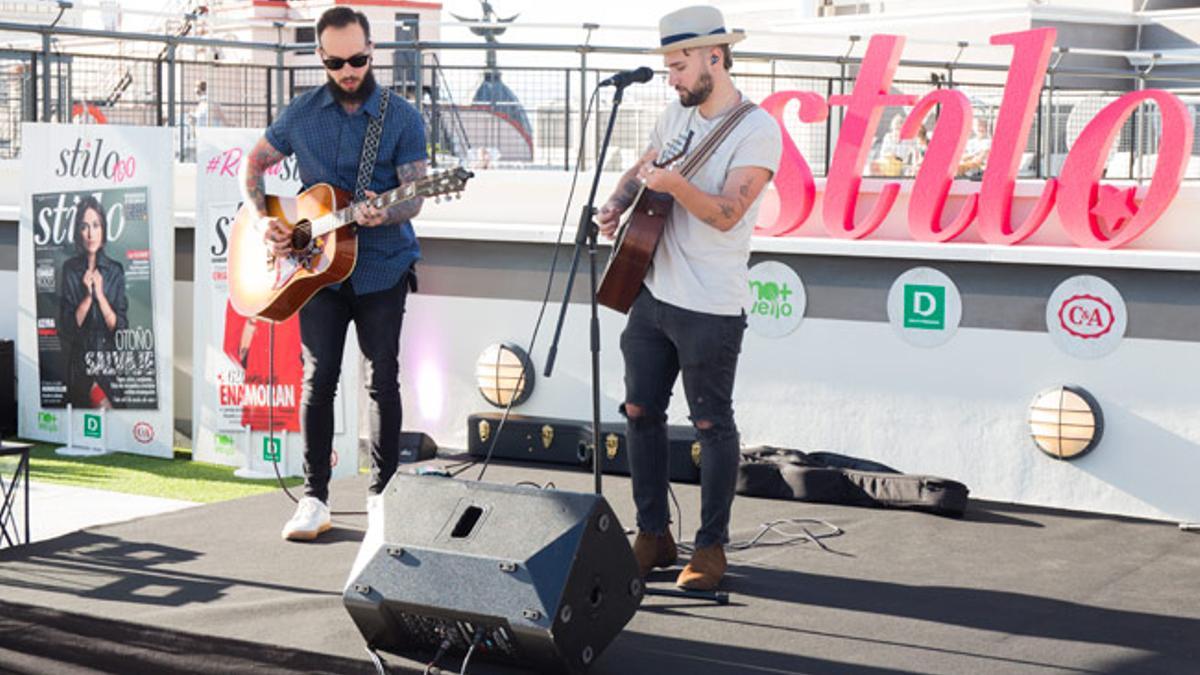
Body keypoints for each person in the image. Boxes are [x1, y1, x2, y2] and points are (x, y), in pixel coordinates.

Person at [594, 6, 782, 591]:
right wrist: (616, 204)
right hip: (651, 291)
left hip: (711, 305)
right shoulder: (672, 119)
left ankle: (711, 547)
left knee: (710, 424)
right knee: (639, 414)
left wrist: (674, 184)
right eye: (668, 66)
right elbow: (640, 168)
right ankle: (652, 533)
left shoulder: (757, 128)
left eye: (678, 66)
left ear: (714, 58)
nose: (671, 77)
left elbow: (728, 214)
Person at [241, 7, 427, 541]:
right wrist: (265, 221)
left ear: (373, 51)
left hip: (382, 266)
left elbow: (414, 196)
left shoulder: (402, 117)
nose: (350, 70)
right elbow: (252, 167)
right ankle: (314, 499)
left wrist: (383, 211)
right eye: (339, 61)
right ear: (321, 57)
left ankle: (383, 498)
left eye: (360, 59)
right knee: (317, 380)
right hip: (313, 270)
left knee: (381, 378)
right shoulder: (301, 114)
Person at [59, 194, 128, 409]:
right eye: (84, 227)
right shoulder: (70, 270)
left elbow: (121, 329)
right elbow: (68, 328)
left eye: (96, 225)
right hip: (80, 366)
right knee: (83, 428)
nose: (90, 233)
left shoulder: (115, 270)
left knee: (115, 428)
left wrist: (100, 295)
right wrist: (88, 297)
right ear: (78, 233)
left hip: (110, 366)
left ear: (103, 229)